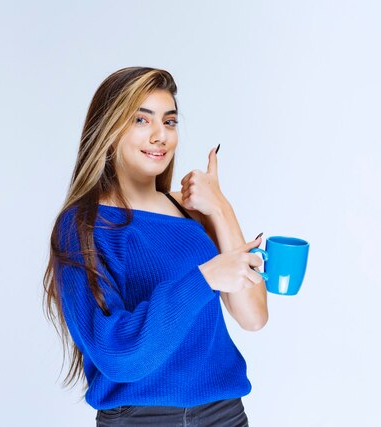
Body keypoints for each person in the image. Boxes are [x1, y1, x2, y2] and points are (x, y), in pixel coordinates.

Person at [43, 66, 268, 426]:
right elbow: (120, 355)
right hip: (143, 419)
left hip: (224, 414)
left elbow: (254, 317)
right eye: (141, 120)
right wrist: (204, 278)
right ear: (110, 130)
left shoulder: (191, 211)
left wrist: (221, 209)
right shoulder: (83, 225)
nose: (160, 135)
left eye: (170, 121)